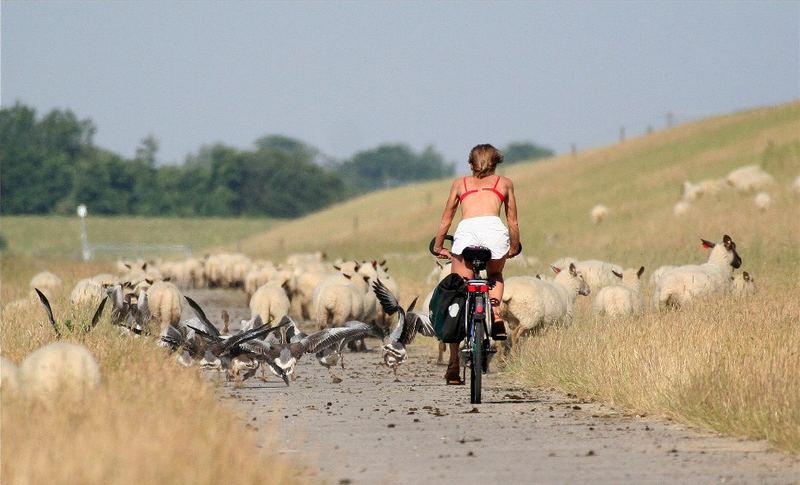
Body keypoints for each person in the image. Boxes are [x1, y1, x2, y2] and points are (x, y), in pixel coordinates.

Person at [432, 143, 520, 384]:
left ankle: (453, 364)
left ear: (470, 164)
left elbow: (445, 220)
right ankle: (495, 312)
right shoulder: (505, 183)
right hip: (494, 232)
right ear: (496, 163)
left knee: (457, 292)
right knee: (494, 276)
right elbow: (512, 222)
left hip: (467, 234)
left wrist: (439, 246)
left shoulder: (460, 184)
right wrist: (513, 247)